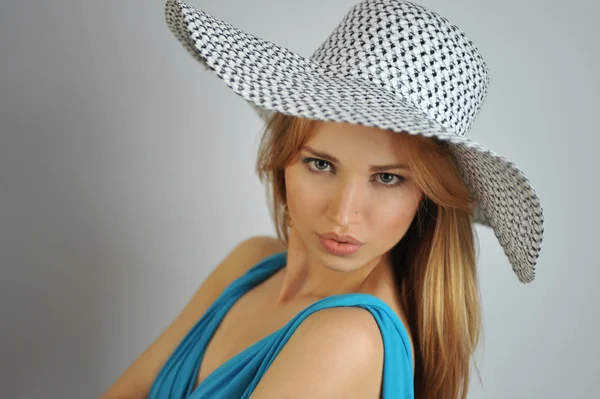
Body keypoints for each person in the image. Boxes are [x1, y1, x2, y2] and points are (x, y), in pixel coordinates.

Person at [100, 0, 545, 398]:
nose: (343, 213)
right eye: (321, 165)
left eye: (388, 178)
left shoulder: (348, 339)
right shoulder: (250, 264)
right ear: (283, 158)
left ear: (428, 197)